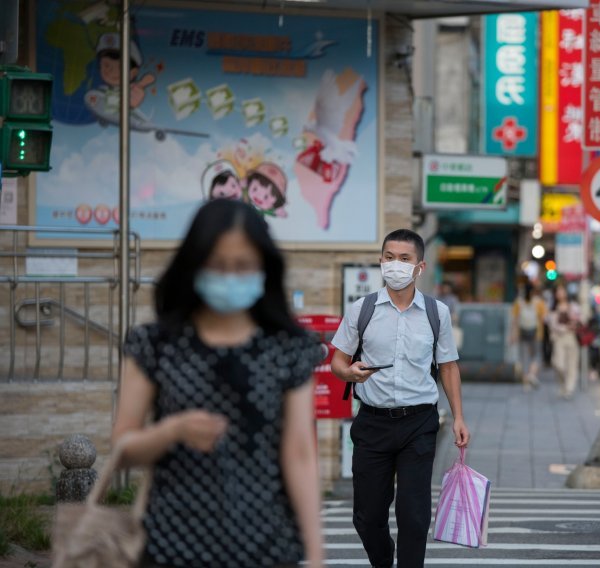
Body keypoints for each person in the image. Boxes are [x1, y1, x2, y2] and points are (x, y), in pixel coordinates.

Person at [112, 199, 325, 568]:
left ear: (263, 267)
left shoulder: (289, 347)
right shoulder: (154, 344)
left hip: (267, 549)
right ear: (194, 264)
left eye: (242, 266)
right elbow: (123, 448)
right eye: (217, 264)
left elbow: (300, 455)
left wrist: (317, 554)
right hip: (170, 548)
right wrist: (172, 431)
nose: (229, 275)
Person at [331, 229, 470, 568]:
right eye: (389, 257)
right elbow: (337, 360)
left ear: (419, 267)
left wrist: (459, 418)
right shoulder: (361, 309)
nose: (395, 265)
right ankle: (383, 560)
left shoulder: (437, 314)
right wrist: (349, 373)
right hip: (372, 423)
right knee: (367, 516)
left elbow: (448, 367)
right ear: (381, 261)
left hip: (419, 423)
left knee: (414, 515)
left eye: (404, 259)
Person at [548, 283, 582, 400]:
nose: (560, 294)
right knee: (558, 363)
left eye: (562, 291)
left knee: (572, 364)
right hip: (558, 338)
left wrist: (573, 321)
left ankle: (569, 388)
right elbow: (551, 324)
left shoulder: (573, 306)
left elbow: (578, 321)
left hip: (571, 337)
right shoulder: (553, 307)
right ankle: (563, 384)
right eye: (558, 292)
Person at [511, 283, 547, 390]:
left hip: (522, 332)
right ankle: (532, 374)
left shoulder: (518, 302)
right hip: (537, 333)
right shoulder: (539, 302)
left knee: (524, 356)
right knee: (537, 355)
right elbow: (544, 318)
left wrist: (513, 334)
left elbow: (515, 319)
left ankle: (526, 382)